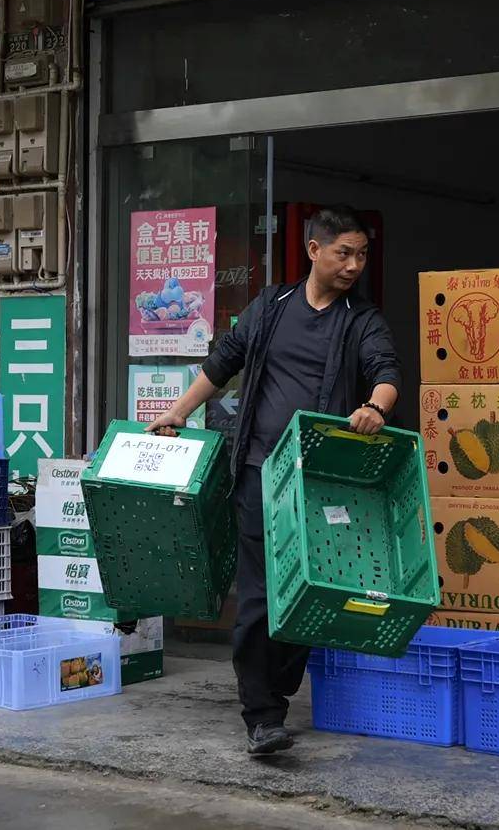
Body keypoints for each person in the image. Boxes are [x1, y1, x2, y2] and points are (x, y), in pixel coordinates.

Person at [146, 205, 401, 755]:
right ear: (314, 250)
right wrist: (178, 412)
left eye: (362, 254)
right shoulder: (271, 307)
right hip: (262, 472)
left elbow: (385, 371)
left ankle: (277, 684)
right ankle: (262, 715)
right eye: (344, 253)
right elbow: (223, 362)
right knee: (261, 594)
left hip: (321, 484)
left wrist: (375, 408)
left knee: (311, 591)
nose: (354, 265)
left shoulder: (361, 319)